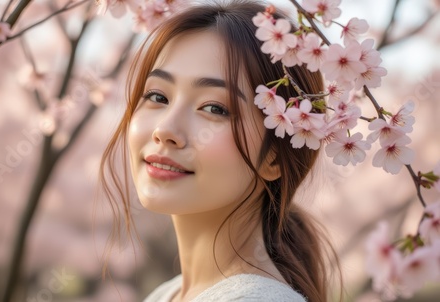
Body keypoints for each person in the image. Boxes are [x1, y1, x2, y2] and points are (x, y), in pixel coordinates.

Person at [100, 1, 340, 301]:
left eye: (215, 108)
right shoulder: (168, 295)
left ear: (275, 156)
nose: (165, 130)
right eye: (158, 96)